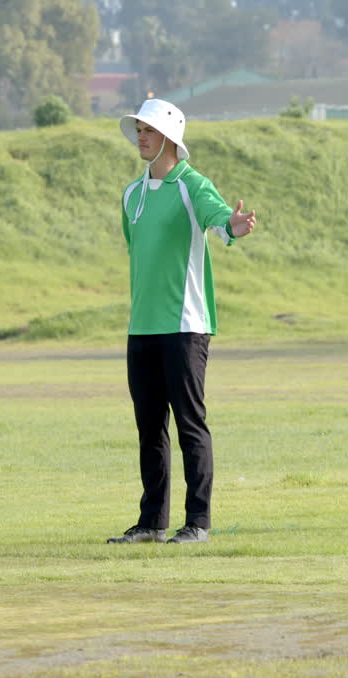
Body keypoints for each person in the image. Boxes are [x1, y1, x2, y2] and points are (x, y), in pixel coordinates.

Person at [107, 98, 257, 544]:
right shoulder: (131, 194)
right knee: (149, 428)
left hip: (185, 327)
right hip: (142, 328)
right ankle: (152, 522)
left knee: (190, 424)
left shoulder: (192, 185)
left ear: (170, 139)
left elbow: (218, 219)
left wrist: (233, 224)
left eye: (148, 130)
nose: (141, 136)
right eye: (138, 129)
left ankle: (198, 523)